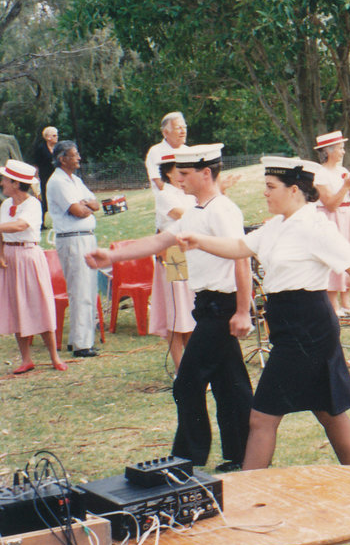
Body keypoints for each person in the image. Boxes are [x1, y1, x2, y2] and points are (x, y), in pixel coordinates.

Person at [175, 157, 350, 469]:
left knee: (262, 417)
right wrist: (199, 240)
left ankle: (251, 492)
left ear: (294, 190)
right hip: (288, 325)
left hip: (308, 326)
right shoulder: (277, 226)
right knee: (328, 410)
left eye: (270, 187)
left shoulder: (314, 227)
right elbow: (239, 247)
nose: (265, 193)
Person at [86, 143, 253, 472]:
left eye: (186, 174)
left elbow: (242, 259)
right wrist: (114, 256)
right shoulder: (195, 211)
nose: (179, 180)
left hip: (222, 306)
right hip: (206, 304)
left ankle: (186, 458)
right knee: (229, 382)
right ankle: (243, 453)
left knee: (188, 382)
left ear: (206, 173)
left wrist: (243, 311)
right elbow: (161, 241)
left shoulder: (222, 210)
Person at [0, 160, 66, 373]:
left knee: (40, 303)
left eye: (5, 180)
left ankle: (54, 357)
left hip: (29, 255)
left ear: (16, 183)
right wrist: (0, 253)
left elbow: (21, 225)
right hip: (10, 257)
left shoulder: (33, 204)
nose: (2, 183)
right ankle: (26, 359)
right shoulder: (5, 205)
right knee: (16, 305)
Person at [46, 140, 100, 358]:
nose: (79, 158)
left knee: (88, 288)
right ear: (62, 159)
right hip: (72, 239)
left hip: (85, 238)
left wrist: (87, 205)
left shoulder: (75, 180)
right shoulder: (57, 182)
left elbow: (95, 203)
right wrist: (86, 206)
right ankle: (81, 343)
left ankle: (79, 338)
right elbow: (77, 210)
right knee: (80, 289)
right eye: (74, 155)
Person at [149, 150, 197, 371]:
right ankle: (181, 369)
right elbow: (185, 215)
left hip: (189, 255)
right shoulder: (165, 195)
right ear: (168, 173)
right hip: (173, 256)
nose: (183, 174)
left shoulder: (187, 194)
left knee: (189, 312)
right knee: (176, 314)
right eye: (179, 170)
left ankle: (192, 367)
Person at [314, 131, 350, 318]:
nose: (343, 152)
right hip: (331, 218)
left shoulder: (342, 172)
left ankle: (347, 302)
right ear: (328, 151)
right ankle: (333, 303)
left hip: (347, 216)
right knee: (333, 256)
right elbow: (330, 204)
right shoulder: (320, 174)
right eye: (340, 148)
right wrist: (345, 186)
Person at [144, 112, 187, 190]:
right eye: (178, 128)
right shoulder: (155, 152)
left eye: (184, 127)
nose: (183, 131)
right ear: (165, 132)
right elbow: (160, 184)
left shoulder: (188, 151)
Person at [31, 126, 58, 226]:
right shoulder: (41, 149)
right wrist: (36, 177)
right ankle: (41, 223)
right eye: (54, 135)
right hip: (44, 178)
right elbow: (36, 164)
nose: (56, 137)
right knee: (44, 201)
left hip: (56, 177)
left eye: (57, 135)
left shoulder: (57, 149)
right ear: (47, 137)